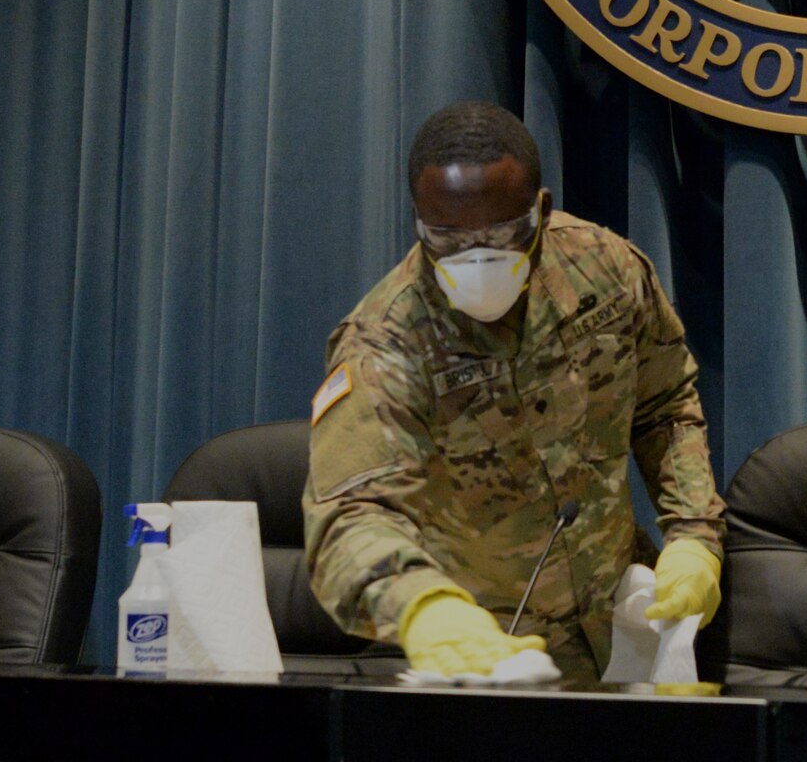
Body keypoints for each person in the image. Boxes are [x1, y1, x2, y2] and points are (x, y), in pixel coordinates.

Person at [303, 101, 725, 680]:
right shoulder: (386, 342)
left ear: (541, 212)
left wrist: (693, 534)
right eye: (447, 238)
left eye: (503, 233)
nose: (476, 256)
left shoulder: (605, 271)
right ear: (418, 222)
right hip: (490, 651)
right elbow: (350, 515)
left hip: (625, 628)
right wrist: (424, 608)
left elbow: (667, 408)